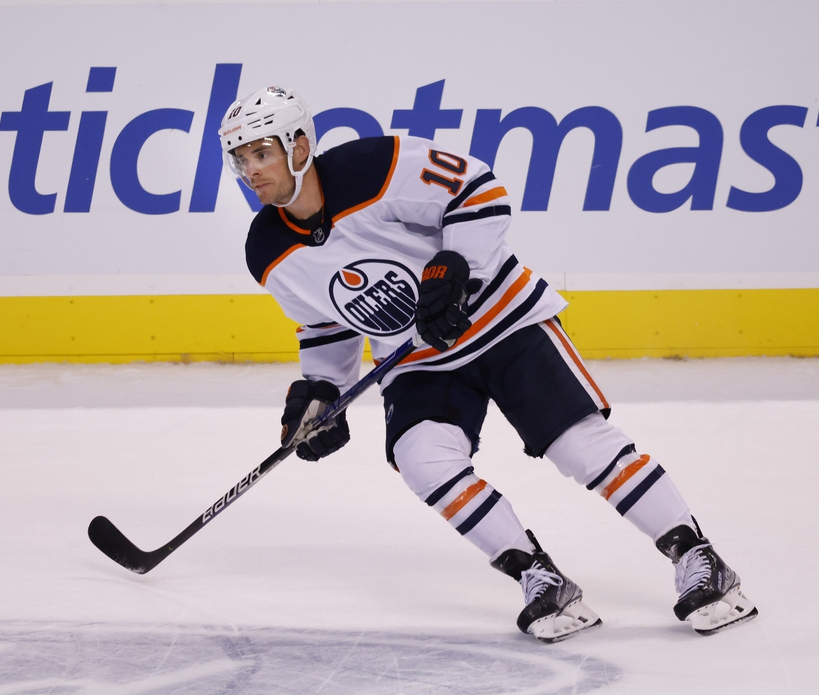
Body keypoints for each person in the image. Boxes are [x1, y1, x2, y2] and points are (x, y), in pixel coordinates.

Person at [218, 85, 758, 642]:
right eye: (241, 160)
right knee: (421, 457)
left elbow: (477, 188)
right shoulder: (267, 250)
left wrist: (456, 266)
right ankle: (539, 576)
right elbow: (326, 322)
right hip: (419, 360)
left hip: (501, 320)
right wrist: (322, 391)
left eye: (262, 153)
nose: (251, 171)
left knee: (578, 444)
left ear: (299, 145)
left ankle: (698, 557)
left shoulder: (370, 166)